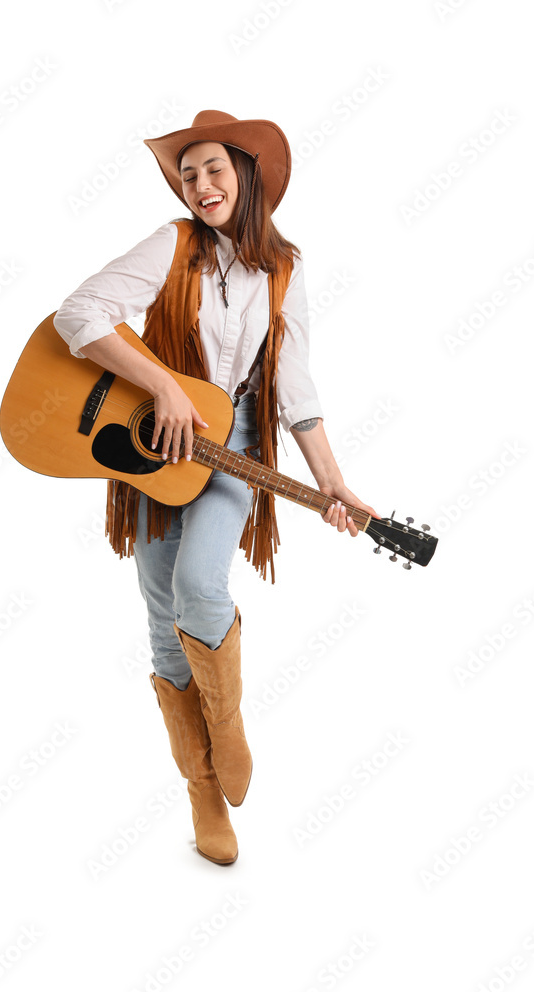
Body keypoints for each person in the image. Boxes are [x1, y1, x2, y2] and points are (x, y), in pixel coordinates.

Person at [53, 110, 378, 866]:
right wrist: (162, 386)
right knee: (163, 612)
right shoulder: (171, 245)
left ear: (248, 175)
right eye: (187, 172)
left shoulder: (284, 269)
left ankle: (225, 727)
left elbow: (293, 387)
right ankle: (201, 790)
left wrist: (333, 483)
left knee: (200, 583)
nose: (199, 184)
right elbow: (79, 313)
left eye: (213, 169)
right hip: (158, 449)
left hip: (233, 446)